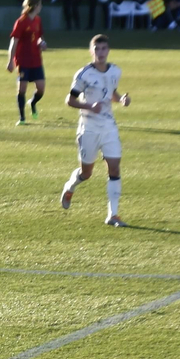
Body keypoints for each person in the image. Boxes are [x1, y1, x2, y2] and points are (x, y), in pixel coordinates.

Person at [60, 33, 130, 226]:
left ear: (108, 50)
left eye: (104, 49)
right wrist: (89, 106)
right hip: (89, 127)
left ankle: (113, 215)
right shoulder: (84, 74)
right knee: (87, 173)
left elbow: (112, 93)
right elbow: (70, 100)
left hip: (108, 125)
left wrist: (122, 99)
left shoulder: (115, 71)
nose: (100, 53)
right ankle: (71, 186)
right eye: (97, 49)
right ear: (91, 51)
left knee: (114, 167)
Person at [7, 0, 46, 126]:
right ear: (35, 5)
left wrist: (42, 42)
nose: (41, 6)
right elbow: (14, 42)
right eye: (40, 4)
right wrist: (10, 61)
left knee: (41, 88)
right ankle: (22, 118)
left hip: (36, 59)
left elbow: (39, 36)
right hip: (23, 60)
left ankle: (33, 103)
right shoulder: (21, 22)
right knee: (22, 89)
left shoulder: (38, 20)